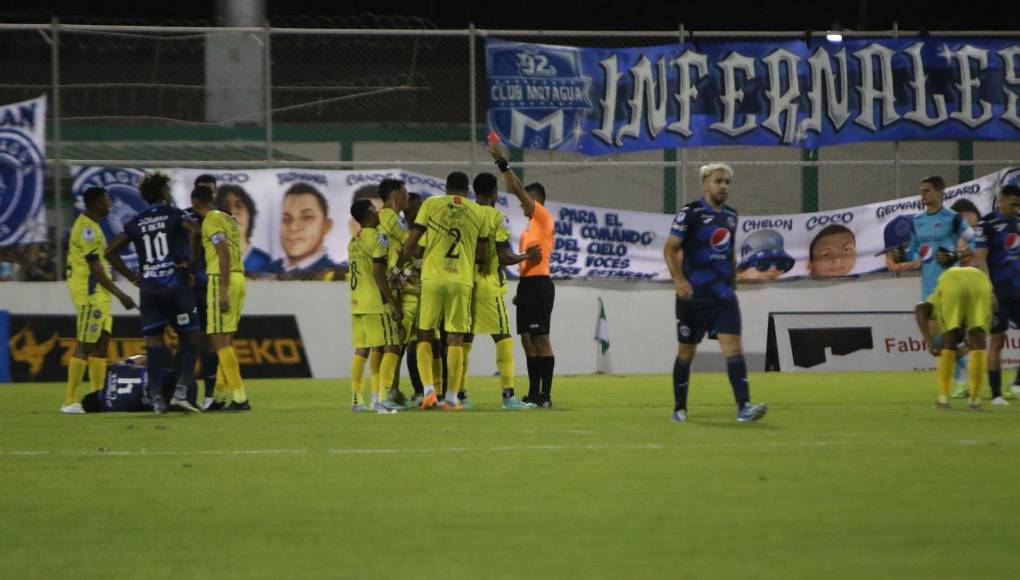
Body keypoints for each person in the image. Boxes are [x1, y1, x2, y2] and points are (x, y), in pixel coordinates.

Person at [662, 163, 767, 423]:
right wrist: (679, 280)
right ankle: (679, 408)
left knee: (734, 347)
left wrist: (732, 282)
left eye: (727, 182)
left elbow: (729, 251)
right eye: (718, 181)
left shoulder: (731, 215)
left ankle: (743, 407)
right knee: (687, 351)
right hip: (693, 296)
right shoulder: (691, 212)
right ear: (705, 183)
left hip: (723, 297)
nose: (723, 186)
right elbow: (670, 248)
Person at [105, 172, 202, 414]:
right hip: (175, 286)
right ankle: (180, 393)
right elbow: (195, 230)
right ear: (163, 192)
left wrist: (133, 277)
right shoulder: (174, 214)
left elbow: (110, 251)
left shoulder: (136, 222)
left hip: (149, 289)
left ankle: (158, 398)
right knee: (190, 337)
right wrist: (189, 262)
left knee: (153, 342)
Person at [395, 171, 489, 410]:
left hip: (433, 277)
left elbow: (413, 240)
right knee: (455, 337)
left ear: (446, 189)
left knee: (425, 333)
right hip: (461, 280)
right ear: (467, 191)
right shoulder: (478, 211)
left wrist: (397, 269)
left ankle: (428, 392)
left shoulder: (431, 204)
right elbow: (483, 254)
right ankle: (451, 397)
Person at [460, 171, 540, 410]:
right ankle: (508, 396)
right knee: (503, 337)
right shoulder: (496, 217)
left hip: (463, 284)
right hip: (487, 285)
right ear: (495, 192)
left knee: (463, 340)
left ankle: (460, 395)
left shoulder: (465, 213)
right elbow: (504, 257)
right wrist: (528, 255)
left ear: (475, 191)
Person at [889, 176, 976, 397]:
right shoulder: (917, 220)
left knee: (947, 334)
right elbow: (917, 250)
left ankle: (962, 379)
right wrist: (902, 254)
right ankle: (965, 370)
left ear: (939, 192)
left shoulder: (953, 218)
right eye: (921, 191)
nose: (923, 195)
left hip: (950, 281)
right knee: (935, 336)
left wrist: (956, 254)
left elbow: (974, 242)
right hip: (928, 283)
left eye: (927, 191)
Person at [61, 186, 138, 413]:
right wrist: (121, 294)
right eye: (105, 200)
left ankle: (98, 397)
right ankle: (69, 400)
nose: (109, 204)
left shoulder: (94, 227)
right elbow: (96, 270)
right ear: (95, 202)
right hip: (90, 295)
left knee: (102, 342)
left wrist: (131, 279)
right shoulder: (87, 230)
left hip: (100, 296)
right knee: (85, 344)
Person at [489, 151, 556, 407]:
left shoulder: (543, 217)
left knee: (541, 339)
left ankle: (545, 396)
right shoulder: (528, 232)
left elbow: (516, 189)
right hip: (528, 285)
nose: (520, 205)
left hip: (541, 284)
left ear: (535, 200)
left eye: (525, 200)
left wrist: (502, 163)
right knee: (527, 340)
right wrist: (522, 287)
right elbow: (527, 259)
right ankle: (533, 393)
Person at [191, 185, 252, 411]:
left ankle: (240, 398)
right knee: (225, 342)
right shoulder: (228, 219)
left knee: (218, 341)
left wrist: (223, 289)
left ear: (196, 202)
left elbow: (222, 251)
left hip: (221, 279)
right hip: (238, 277)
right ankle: (218, 397)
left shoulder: (211, 220)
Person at [348, 199, 403, 413]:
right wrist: (392, 302)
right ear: (370, 213)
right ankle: (381, 400)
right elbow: (378, 274)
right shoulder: (378, 238)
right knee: (392, 346)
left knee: (362, 349)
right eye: (375, 209)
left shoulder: (353, 240)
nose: (379, 212)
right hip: (374, 303)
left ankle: (357, 399)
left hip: (356, 302)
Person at [914, 266, 991, 410]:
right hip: (981, 282)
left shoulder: (936, 301)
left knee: (948, 338)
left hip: (952, 281)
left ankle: (943, 399)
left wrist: (929, 341)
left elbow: (919, 309)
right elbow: (991, 310)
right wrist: (970, 345)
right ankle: (975, 401)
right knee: (979, 342)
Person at [972, 184, 1020, 405]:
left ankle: (1018, 384)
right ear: (1001, 200)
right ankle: (996, 394)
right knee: (997, 340)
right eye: (1013, 204)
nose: (1016, 208)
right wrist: (988, 290)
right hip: (998, 291)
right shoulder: (988, 224)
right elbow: (980, 258)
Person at [184, 175, 221, 410]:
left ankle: (209, 396)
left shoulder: (221, 218)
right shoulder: (185, 218)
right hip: (188, 287)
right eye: (204, 191)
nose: (209, 195)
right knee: (189, 339)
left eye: (212, 191)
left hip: (211, 286)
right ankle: (186, 393)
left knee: (211, 341)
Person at [265, 182, 339, 275]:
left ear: (326, 225)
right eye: (286, 219)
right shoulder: (264, 271)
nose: (293, 227)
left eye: (307, 217)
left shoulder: (337, 277)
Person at [80, 355, 198, 413]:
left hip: (166, 401)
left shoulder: (110, 408)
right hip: (182, 380)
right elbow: (140, 357)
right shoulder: (112, 369)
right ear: (94, 392)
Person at [216, 184, 272, 273]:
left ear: (250, 214)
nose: (232, 212)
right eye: (225, 207)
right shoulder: (207, 258)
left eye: (238, 206)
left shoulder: (264, 261)